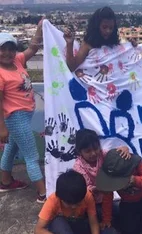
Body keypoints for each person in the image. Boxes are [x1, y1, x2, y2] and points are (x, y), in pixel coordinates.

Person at [0, 19, 47, 203]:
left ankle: (5, 182)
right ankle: (43, 194)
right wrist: (2, 128)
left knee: (12, 149)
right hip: (15, 117)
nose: (7, 53)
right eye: (3, 49)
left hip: (25, 115)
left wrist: (39, 29)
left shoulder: (18, 61)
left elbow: (33, 49)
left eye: (11, 48)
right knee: (32, 156)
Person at [73, 128, 131, 231]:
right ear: (79, 151)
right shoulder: (78, 167)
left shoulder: (102, 154)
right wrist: (102, 187)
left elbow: (116, 155)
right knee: (109, 225)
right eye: (88, 151)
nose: (93, 153)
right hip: (92, 205)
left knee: (126, 214)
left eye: (96, 148)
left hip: (107, 200)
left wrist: (125, 149)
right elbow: (86, 189)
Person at [96, 149, 142, 234]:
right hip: (129, 201)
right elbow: (107, 197)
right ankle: (140, 218)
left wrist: (135, 180)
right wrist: (106, 219)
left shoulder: (136, 163)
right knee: (128, 229)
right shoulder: (111, 176)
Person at [34, 170, 100, 234]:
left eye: (78, 203)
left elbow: (93, 223)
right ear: (60, 198)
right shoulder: (53, 200)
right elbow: (38, 230)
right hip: (61, 227)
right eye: (69, 204)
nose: (74, 207)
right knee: (59, 222)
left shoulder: (87, 196)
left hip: (79, 224)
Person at [64, 6, 120, 72]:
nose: (108, 31)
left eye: (111, 28)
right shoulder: (88, 45)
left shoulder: (115, 45)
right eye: (104, 27)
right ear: (96, 26)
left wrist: (133, 46)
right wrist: (69, 44)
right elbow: (72, 67)